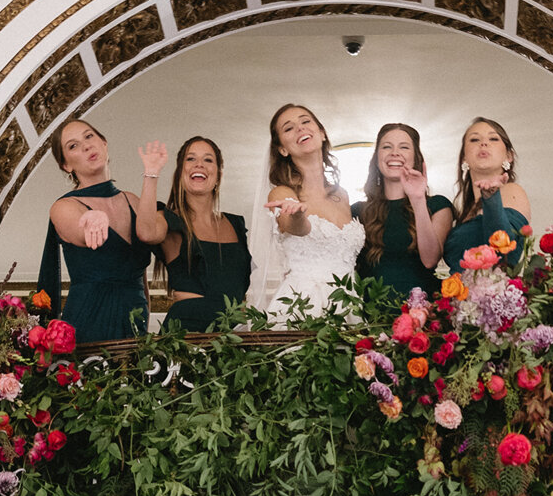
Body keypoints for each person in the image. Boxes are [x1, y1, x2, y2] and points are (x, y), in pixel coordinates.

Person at [38, 119, 166, 344]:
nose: (86, 145)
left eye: (89, 137)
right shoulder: (63, 207)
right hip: (90, 322)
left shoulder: (133, 201)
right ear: (66, 165)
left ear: (104, 143)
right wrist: (90, 218)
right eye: (73, 146)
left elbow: (141, 271)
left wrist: (151, 173)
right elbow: (80, 229)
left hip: (136, 323)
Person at [262, 102, 364, 315]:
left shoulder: (342, 195)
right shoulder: (281, 193)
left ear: (322, 133)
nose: (300, 128)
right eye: (289, 128)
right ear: (282, 149)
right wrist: (298, 215)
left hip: (349, 303)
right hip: (304, 304)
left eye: (306, 121)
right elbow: (295, 227)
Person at [151, 136, 251, 331]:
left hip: (234, 334)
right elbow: (146, 233)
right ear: (180, 172)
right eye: (190, 159)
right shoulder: (167, 219)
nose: (199, 164)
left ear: (219, 174)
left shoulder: (236, 224)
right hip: (188, 330)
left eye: (208, 159)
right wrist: (151, 175)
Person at [351, 123, 453, 302]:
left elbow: (430, 260)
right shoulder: (357, 211)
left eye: (404, 147)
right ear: (377, 158)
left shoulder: (438, 205)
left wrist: (418, 199)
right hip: (368, 318)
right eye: (386, 147)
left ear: (415, 158)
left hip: (421, 314)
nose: (394, 152)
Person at [443, 116, 532, 274]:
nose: (483, 143)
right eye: (474, 140)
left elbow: (505, 252)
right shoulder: (463, 211)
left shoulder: (512, 191)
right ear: (464, 156)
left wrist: (491, 198)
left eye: (493, 138)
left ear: (509, 156)